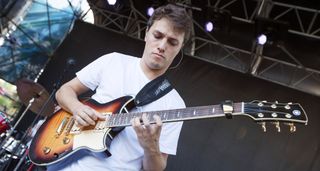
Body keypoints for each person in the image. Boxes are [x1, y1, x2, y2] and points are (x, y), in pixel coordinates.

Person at [48, 3, 192, 171]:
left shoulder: (175, 105)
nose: (162, 46)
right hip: (66, 164)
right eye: (158, 35)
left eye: (172, 42)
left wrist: (150, 147)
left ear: (179, 49)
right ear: (146, 34)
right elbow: (64, 91)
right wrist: (77, 108)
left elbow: (156, 168)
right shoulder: (114, 61)